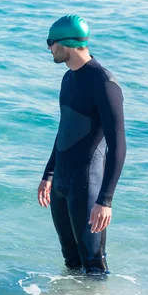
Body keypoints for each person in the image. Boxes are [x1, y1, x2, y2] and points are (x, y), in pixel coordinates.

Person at [38, 15, 126, 275]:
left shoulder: (104, 84)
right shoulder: (68, 78)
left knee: (94, 266)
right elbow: (64, 129)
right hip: (62, 186)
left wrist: (105, 200)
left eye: (51, 42)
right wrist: (49, 174)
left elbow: (118, 146)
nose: (49, 48)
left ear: (67, 44)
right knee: (71, 264)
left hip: (89, 187)